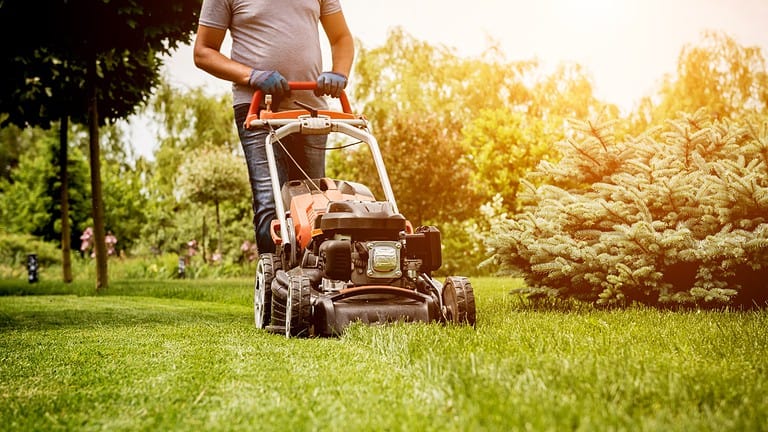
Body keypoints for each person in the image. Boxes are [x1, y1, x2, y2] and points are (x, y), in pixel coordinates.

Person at [193, 0, 354, 255]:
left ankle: (312, 282)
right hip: (258, 109)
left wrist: (339, 73)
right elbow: (203, 52)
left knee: (313, 204)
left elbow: (341, 37)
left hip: (310, 109)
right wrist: (251, 75)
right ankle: (274, 286)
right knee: (272, 202)